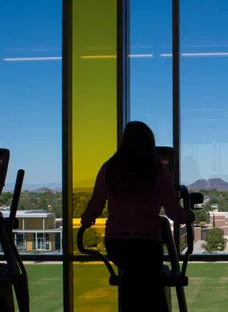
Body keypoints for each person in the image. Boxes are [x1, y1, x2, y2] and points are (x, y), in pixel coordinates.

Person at [81, 120, 195, 286]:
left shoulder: (109, 168)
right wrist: (190, 215)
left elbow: (95, 205)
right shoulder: (158, 171)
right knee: (151, 286)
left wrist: (86, 219)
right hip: (147, 244)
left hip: (116, 245)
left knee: (131, 283)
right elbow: (173, 212)